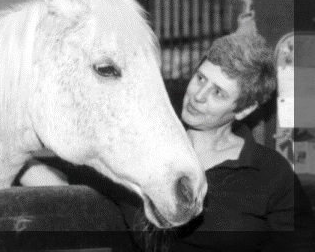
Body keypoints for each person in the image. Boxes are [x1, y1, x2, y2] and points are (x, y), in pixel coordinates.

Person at [118, 28, 315, 251]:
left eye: (218, 93)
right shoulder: (143, 149)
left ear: (244, 109)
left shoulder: (271, 172)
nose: (198, 95)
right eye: (200, 78)